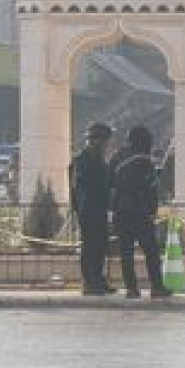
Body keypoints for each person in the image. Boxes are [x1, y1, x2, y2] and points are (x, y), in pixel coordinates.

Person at [110, 125, 170, 300]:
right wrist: (152, 210)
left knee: (126, 252)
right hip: (140, 211)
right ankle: (157, 287)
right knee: (151, 251)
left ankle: (132, 289)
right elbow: (151, 189)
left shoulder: (116, 157)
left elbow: (111, 184)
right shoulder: (145, 160)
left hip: (121, 210)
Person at [70, 123, 115, 296]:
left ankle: (98, 279)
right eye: (106, 141)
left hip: (99, 209)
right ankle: (89, 282)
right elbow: (81, 187)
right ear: (97, 140)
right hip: (88, 210)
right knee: (90, 247)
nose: (107, 145)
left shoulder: (99, 160)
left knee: (101, 246)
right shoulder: (82, 160)